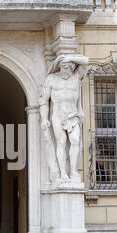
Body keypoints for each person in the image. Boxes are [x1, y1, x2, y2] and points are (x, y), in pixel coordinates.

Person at [39, 54, 89, 183]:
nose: (65, 70)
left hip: (73, 115)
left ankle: (73, 171)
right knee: (60, 143)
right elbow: (44, 100)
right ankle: (63, 173)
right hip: (58, 116)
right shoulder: (52, 79)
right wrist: (44, 118)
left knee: (75, 141)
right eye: (63, 67)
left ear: (72, 68)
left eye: (67, 68)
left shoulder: (77, 77)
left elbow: (86, 61)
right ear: (59, 67)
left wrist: (68, 57)